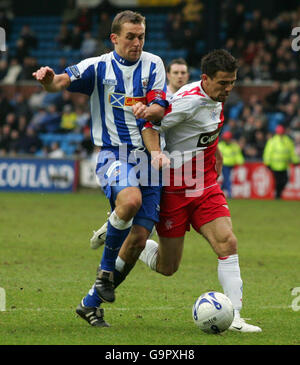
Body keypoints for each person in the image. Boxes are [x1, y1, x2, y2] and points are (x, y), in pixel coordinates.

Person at [92, 49, 262, 332]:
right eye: (223, 83)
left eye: (232, 82)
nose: (229, 88)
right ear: (205, 79)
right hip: (174, 189)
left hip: (204, 184)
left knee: (227, 242)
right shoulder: (185, 102)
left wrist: (215, 150)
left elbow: (203, 132)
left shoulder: (216, 97)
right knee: (168, 267)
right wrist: (157, 153)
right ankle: (126, 232)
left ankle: (235, 318)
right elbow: (149, 123)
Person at [32, 10, 169, 327]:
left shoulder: (154, 65)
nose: (137, 43)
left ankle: (90, 304)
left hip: (148, 159)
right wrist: (50, 81)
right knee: (130, 201)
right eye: (131, 37)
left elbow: (155, 112)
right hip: (113, 153)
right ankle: (105, 271)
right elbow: (62, 81)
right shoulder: (98, 66)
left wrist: (157, 150)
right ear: (115, 38)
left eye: (141, 37)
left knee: (138, 239)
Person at [263, 124, 300, 199]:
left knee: (285, 180)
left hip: (284, 165)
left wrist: (296, 161)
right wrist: (267, 163)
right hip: (275, 165)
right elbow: (267, 153)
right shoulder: (272, 141)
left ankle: (278, 193)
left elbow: (291, 152)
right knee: (278, 181)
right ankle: (277, 195)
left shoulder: (287, 141)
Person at [218, 130, 244, 198]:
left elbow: (238, 155)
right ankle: (229, 194)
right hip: (224, 165)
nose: (227, 140)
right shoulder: (220, 146)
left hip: (231, 165)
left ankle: (219, 191)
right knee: (227, 179)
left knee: (226, 179)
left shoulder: (234, 146)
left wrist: (240, 162)